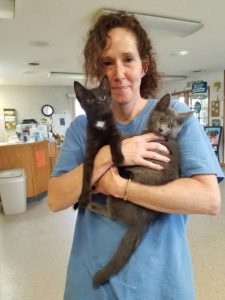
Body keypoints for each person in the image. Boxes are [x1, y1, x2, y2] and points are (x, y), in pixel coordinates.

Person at [47, 12, 224, 300]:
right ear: (98, 69)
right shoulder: (82, 127)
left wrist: (121, 187)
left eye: (128, 59)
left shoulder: (173, 116)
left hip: (160, 283)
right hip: (92, 284)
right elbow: (55, 198)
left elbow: (208, 199)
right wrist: (109, 155)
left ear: (144, 65)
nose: (118, 73)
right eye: (107, 62)